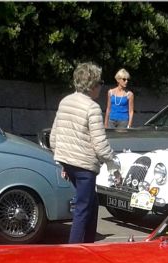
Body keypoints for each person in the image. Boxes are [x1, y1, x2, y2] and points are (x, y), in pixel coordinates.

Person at [49, 62, 121, 244]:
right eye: (100, 83)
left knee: (92, 203)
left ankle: (88, 243)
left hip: (67, 161)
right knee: (83, 208)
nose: (101, 88)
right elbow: (100, 144)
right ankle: (76, 250)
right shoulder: (92, 108)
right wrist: (113, 163)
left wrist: (61, 161)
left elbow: (54, 136)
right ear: (93, 86)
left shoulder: (65, 102)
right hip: (84, 166)